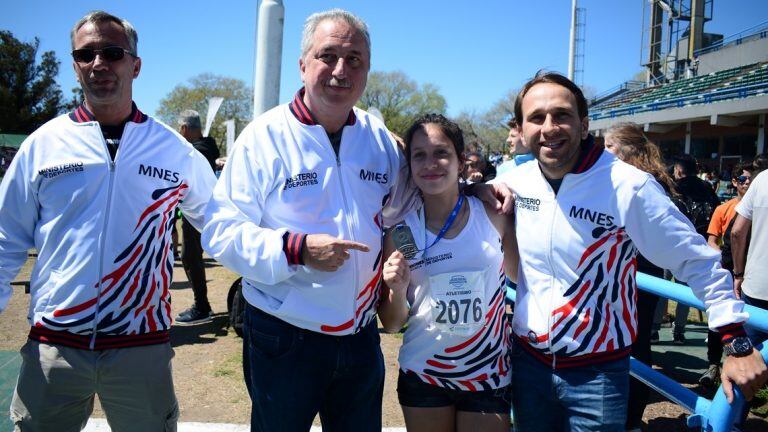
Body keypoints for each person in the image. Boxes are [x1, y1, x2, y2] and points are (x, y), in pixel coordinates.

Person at [202, 9, 512, 431]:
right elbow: (220, 232)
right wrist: (296, 248)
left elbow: (414, 194)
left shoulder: (378, 139)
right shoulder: (264, 137)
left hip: (360, 335)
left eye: (354, 60)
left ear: (367, 69)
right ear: (303, 64)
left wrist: (472, 190)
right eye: (327, 56)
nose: (340, 70)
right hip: (286, 331)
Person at [495, 71, 767, 432]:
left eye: (561, 115)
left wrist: (735, 341)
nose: (549, 127)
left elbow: (695, 260)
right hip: (528, 365)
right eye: (537, 117)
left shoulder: (629, 185)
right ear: (522, 128)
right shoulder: (515, 181)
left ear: (584, 123)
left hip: (597, 374)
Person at [0, 11, 216, 431]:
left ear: (135, 65)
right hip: (55, 345)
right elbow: (6, 236)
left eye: (112, 53)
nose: (98, 63)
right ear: (75, 64)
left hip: (141, 347)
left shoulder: (173, 150)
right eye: (85, 54)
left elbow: (223, 225)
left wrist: (287, 253)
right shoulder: (43, 144)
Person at [378, 114, 517, 432]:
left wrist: (483, 188)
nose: (431, 163)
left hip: (488, 372)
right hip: (425, 372)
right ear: (410, 165)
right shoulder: (401, 234)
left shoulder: (493, 214)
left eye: (441, 152)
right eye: (419, 155)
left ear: (460, 158)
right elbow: (393, 322)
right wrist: (397, 290)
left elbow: (521, 276)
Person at [603, 122, 677, 431]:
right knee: (634, 341)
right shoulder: (642, 178)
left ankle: (631, 415)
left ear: (621, 151)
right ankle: (630, 414)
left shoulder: (642, 183)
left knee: (633, 343)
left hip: (639, 272)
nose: (602, 153)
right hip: (635, 272)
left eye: (607, 147)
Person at [699, 163, 754, 388]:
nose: (747, 182)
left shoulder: (761, 208)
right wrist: (721, 265)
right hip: (728, 272)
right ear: (733, 182)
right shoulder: (724, 209)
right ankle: (713, 365)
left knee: (749, 323)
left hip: (751, 273)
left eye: (751, 178)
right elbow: (712, 240)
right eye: (742, 178)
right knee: (720, 321)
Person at [663, 154, 721, 345]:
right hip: (698, 245)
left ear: (678, 170)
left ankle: (655, 328)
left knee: (662, 287)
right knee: (685, 292)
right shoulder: (707, 188)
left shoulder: (674, 189)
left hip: (671, 244)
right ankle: (679, 330)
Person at [175, 109, 220, 324]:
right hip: (203, 210)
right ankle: (202, 305)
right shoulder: (205, 148)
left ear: (184, 128)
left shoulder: (194, 152)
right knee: (191, 256)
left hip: (197, 212)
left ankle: (202, 307)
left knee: (190, 257)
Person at [732, 164, 768, 345]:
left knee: (750, 357)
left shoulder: (762, 179)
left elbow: (737, 232)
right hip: (757, 287)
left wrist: (738, 273)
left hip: (757, 286)